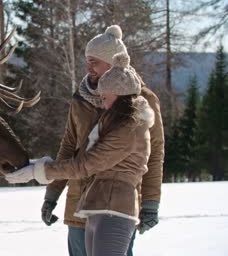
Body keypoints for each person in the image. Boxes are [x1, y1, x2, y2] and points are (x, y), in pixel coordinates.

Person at [14, 25, 164, 256]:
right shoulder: (80, 98)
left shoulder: (140, 101)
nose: (88, 67)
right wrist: (52, 195)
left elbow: (154, 155)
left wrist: (151, 203)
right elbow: (68, 147)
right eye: (87, 61)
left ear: (112, 63)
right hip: (79, 202)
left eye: (94, 61)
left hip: (117, 202)